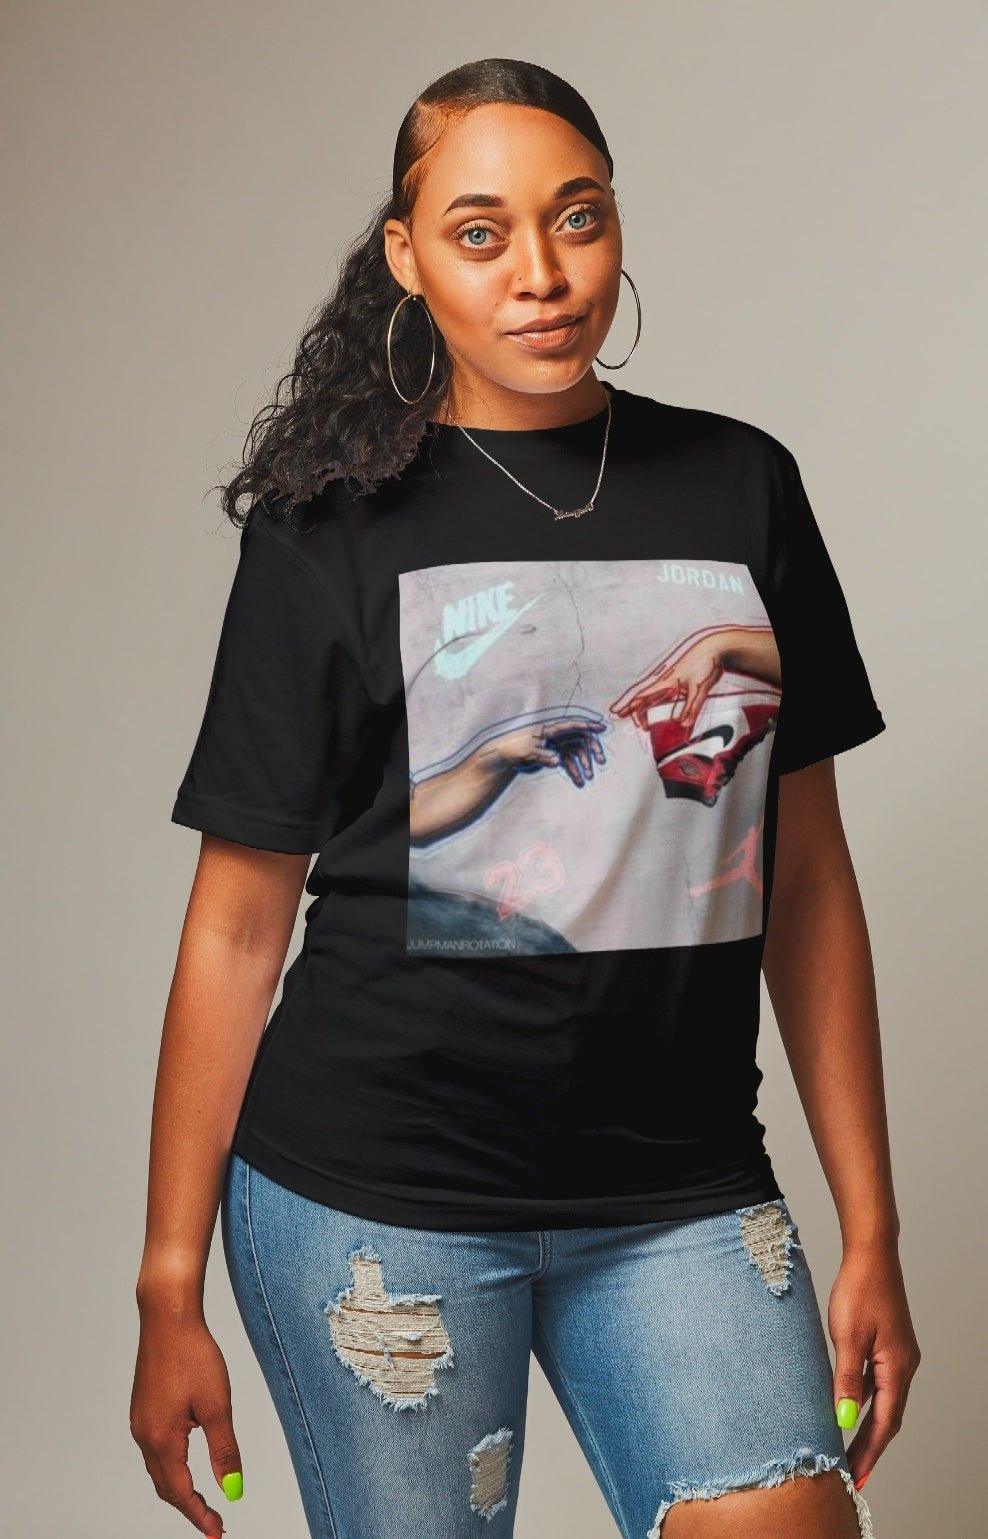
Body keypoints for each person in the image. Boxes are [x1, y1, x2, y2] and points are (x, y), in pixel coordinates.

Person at [130, 57, 919, 1539]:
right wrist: (168, 1285)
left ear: (617, 226)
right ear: (407, 256)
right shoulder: (327, 525)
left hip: (681, 1189)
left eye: (579, 217)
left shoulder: (741, 484)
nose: (542, 274)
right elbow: (237, 926)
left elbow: (805, 879)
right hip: (376, 1196)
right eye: (481, 232)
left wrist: (869, 1221)